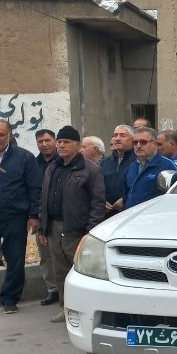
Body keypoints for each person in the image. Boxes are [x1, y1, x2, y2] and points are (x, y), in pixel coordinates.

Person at [38, 126, 106, 322]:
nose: (61, 145)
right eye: (59, 142)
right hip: (54, 228)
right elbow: (44, 198)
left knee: (81, 272)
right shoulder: (52, 167)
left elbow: (97, 203)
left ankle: (88, 311)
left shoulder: (90, 170)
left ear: (78, 145)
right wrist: (43, 227)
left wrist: (90, 233)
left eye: (66, 142)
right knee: (60, 272)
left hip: (77, 231)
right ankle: (66, 308)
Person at [0, 119, 41, 313]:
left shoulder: (24, 157)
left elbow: (35, 188)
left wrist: (34, 215)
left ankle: (10, 299)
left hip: (15, 216)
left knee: (15, 259)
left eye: (1, 134)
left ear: (10, 135)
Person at [33, 128, 60, 304]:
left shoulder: (63, 161)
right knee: (45, 256)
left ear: (55, 141)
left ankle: (67, 290)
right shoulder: (33, 164)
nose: (44, 144)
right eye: (40, 142)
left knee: (62, 256)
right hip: (41, 217)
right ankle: (52, 289)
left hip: (61, 217)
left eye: (47, 140)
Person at [122, 127, 177, 208]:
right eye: (135, 142)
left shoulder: (167, 165)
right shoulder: (131, 167)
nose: (138, 146)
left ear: (154, 144)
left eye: (143, 142)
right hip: (132, 214)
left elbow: (175, 196)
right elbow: (126, 195)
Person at [101, 124, 134, 213]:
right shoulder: (105, 162)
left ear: (132, 140)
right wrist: (102, 200)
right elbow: (98, 185)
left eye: (122, 135)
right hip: (107, 213)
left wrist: (125, 199)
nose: (117, 138)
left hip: (129, 211)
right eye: (115, 135)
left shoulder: (138, 161)